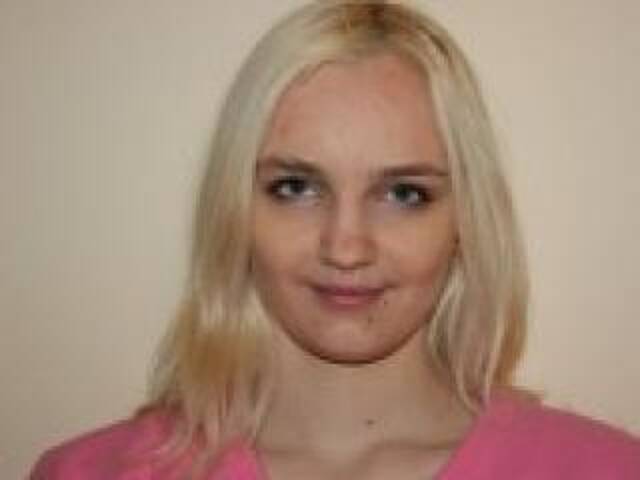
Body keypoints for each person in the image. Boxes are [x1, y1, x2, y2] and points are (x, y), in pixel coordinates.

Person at [30, 1, 640, 479]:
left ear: (465, 222)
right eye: (296, 187)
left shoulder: (608, 470)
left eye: (404, 194)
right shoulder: (85, 473)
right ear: (234, 209)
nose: (346, 248)